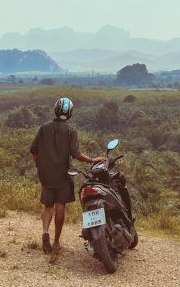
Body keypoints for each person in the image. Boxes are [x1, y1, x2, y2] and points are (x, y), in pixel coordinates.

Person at [30, 97, 105, 254]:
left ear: (56, 110)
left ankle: (45, 232)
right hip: (63, 175)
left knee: (47, 206)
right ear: (70, 113)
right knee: (60, 206)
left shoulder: (44, 128)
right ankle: (56, 242)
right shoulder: (71, 132)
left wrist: (39, 166)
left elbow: (34, 151)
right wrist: (92, 159)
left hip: (46, 174)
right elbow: (76, 154)